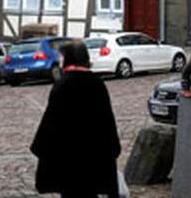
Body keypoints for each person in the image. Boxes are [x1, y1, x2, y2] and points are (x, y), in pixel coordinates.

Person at [30, 39, 122, 198]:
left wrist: (40, 147)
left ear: (68, 59)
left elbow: (51, 122)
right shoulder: (97, 84)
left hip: (68, 159)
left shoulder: (62, 85)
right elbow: (107, 121)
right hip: (94, 157)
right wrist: (112, 148)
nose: (59, 61)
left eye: (61, 57)